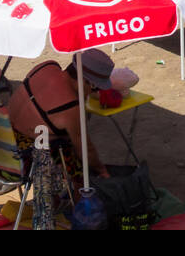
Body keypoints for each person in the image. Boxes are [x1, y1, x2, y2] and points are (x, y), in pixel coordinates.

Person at [7, 50, 113, 180]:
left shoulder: (47, 66)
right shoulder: (71, 108)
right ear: (86, 82)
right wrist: (102, 170)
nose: (93, 93)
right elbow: (86, 151)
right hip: (23, 157)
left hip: (3, 138)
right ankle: (71, 198)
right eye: (96, 89)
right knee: (81, 172)